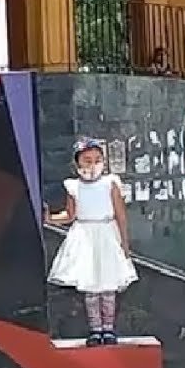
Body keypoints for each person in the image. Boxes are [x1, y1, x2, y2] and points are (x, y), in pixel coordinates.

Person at [44, 139, 138, 346]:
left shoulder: (110, 183)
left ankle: (108, 328)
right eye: (87, 160)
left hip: (107, 234)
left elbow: (121, 215)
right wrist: (50, 218)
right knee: (91, 286)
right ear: (77, 163)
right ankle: (95, 329)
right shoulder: (73, 187)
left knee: (108, 285)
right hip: (84, 236)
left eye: (97, 160)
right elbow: (70, 215)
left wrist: (124, 243)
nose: (93, 165)